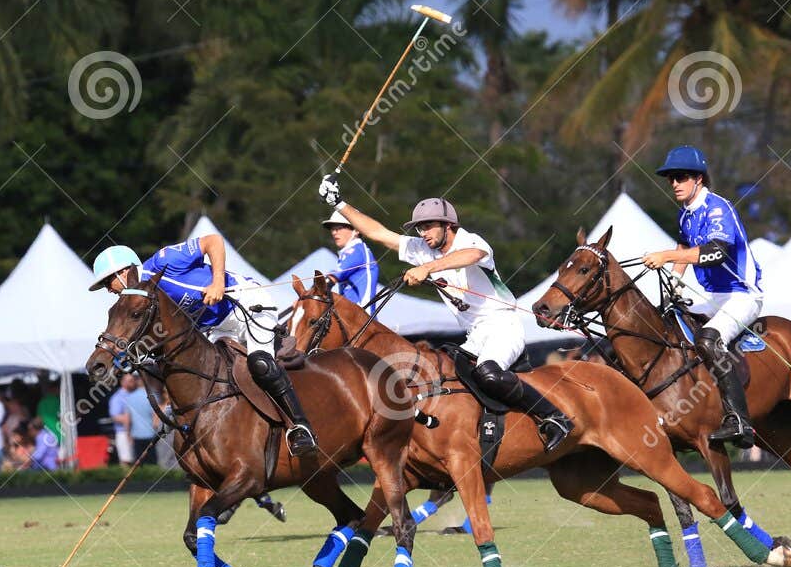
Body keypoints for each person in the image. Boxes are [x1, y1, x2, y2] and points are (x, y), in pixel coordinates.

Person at [319, 179, 574, 451]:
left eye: (428, 226)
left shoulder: (470, 241)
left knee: (488, 372)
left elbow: (471, 255)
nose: (423, 232)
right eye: (420, 227)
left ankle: (553, 417)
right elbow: (379, 233)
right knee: (444, 376)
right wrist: (339, 203)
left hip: (503, 326)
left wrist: (428, 268)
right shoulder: (422, 248)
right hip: (474, 335)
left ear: (448, 225)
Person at [89, 231, 318, 456]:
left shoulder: (163, 261)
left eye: (108, 281)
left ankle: (301, 427)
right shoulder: (143, 300)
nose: (109, 289)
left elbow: (213, 241)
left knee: (261, 363)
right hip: (216, 327)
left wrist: (218, 281)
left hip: (247, 304)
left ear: (124, 272)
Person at [640, 145, 764, 448]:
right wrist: (675, 281)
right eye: (670, 179)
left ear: (698, 178)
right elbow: (684, 250)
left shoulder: (717, 208)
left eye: (680, 177)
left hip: (741, 294)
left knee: (708, 339)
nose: (674, 184)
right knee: (667, 319)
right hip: (711, 295)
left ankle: (740, 421)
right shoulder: (685, 215)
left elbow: (715, 252)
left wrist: (664, 255)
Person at [323, 209, 380, 314]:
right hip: (352, 318)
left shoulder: (356, 250)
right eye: (332, 229)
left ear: (357, 230)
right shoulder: (348, 252)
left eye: (339, 228)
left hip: (362, 320)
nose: (334, 232)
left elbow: (330, 280)